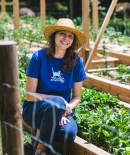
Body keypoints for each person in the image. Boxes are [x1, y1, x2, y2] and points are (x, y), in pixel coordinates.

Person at [22, 18, 87, 155]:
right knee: (56, 102)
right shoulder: (38, 58)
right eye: (62, 33)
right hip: (34, 109)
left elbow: (77, 97)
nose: (66, 38)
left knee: (68, 133)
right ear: (54, 35)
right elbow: (29, 95)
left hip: (62, 111)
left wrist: (66, 108)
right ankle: (42, 148)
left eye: (70, 36)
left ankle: (41, 132)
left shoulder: (76, 62)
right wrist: (57, 102)